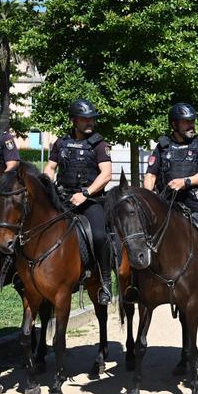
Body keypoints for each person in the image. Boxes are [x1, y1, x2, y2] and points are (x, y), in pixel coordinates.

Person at [143, 102, 198, 304]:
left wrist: (185, 182)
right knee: (140, 233)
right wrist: (149, 197)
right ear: (174, 124)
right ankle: (137, 284)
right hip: (167, 202)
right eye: (186, 122)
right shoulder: (162, 147)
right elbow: (150, 175)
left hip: (193, 199)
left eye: (192, 121)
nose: (191, 125)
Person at [43, 99, 113, 306]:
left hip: (90, 200)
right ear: (73, 120)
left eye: (91, 118)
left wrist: (86, 193)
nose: (89, 122)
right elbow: (50, 167)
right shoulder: (61, 142)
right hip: (63, 198)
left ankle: (105, 282)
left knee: (100, 235)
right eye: (84, 119)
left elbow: (106, 174)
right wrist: (48, 182)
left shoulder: (100, 144)